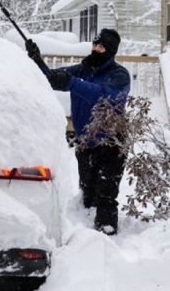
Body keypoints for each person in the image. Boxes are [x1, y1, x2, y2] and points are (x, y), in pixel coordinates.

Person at [26, 28, 130, 235]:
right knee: (88, 195)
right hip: (85, 143)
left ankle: (107, 237)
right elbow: (53, 78)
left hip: (111, 144)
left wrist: (71, 83)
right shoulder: (82, 70)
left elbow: (104, 96)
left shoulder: (119, 75)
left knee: (106, 196)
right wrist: (37, 60)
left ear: (110, 51)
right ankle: (86, 238)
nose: (96, 48)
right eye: (95, 44)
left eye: (101, 46)